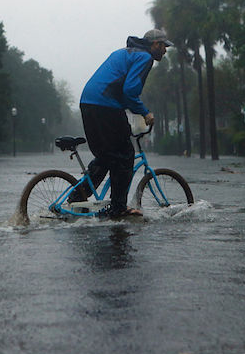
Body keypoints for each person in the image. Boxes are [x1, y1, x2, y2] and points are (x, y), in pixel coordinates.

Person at [73, 29, 172, 218]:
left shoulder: (123, 52)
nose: (165, 51)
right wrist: (145, 113)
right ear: (155, 45)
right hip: (105, 105)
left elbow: (122, 90)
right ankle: (118, 208)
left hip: (88, 103)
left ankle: (77, 197)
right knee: (126, 155)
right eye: (163, 46)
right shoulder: (144, 58)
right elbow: (130, 91)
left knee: (106, 156)